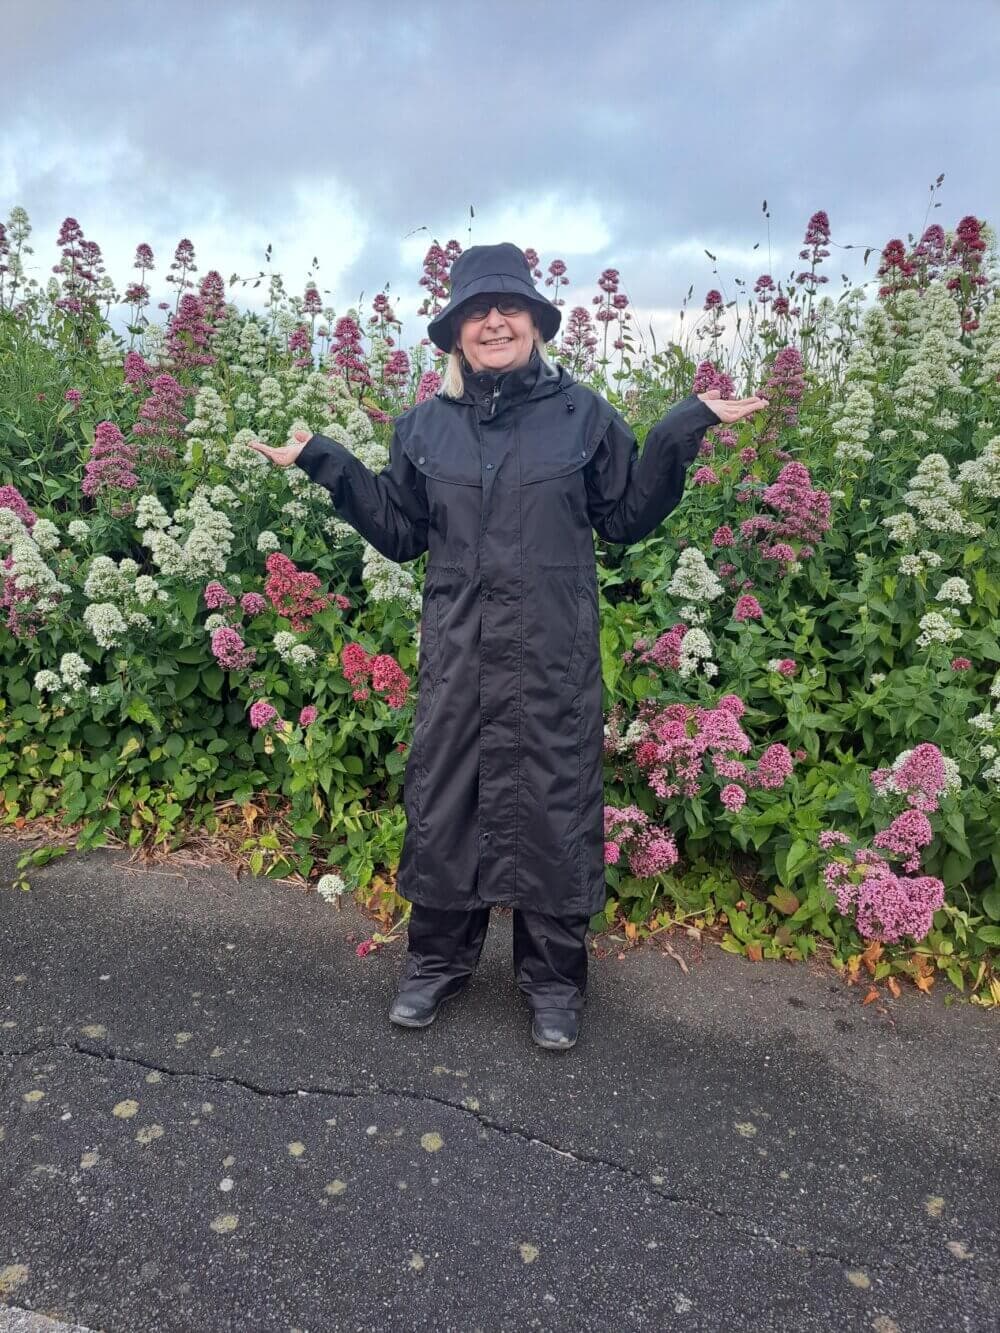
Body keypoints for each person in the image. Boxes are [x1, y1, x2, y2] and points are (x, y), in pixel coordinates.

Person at [249, 242, 768, 1051]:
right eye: (477, 311)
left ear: (535, 322)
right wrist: (325, 460)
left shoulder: (583, 416)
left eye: (510, 307)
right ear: (455, 331)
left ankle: (554, 982)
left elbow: (626, 518)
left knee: (555, 806)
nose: (495, 321)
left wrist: (680, 427)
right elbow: (400, 532)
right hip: (459, 656)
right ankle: (436, 964)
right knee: (445, 803)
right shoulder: (424, 428)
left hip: (552, 658)